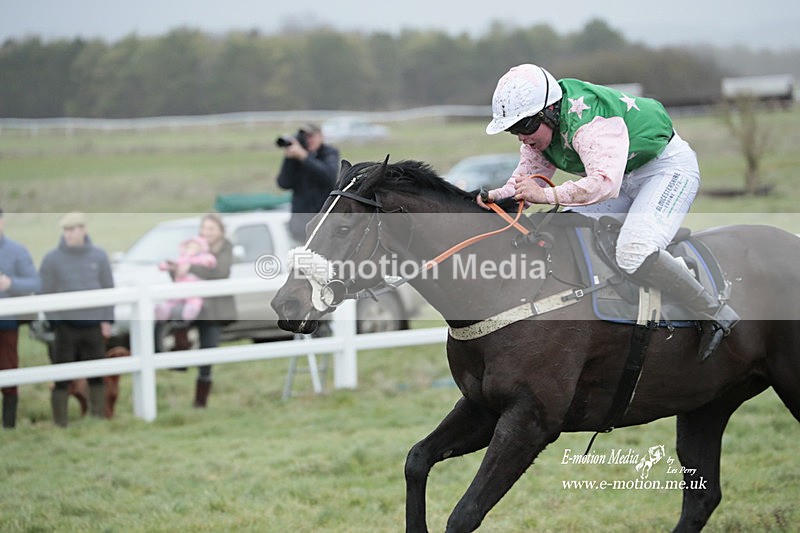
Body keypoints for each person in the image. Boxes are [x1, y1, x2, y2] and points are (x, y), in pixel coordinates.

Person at [480, 63, 738, 360]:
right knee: (563, 225)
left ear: (549, 110)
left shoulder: (589, 121)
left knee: (634, 251)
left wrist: (547, 194)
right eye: (513, 129)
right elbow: (523, 179)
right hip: (622, 177)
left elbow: (603, 184)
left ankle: (713, 311)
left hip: (664, 170)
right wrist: (490, 197)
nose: (521, 137)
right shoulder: (539, 132)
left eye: (524, 126)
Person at [39, 212, 114, 426]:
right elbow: (45, 292)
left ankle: (98, 417)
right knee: (62, 376)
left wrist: (107, 320)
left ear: (83, 230)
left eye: (72, 230)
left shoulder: (98, 256)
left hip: (93, 325)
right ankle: (60, 422)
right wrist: (56, 322)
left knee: (97, 374)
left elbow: (108, 288)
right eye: (65, 230)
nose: (68, 234)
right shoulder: (52, 259)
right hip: (66, 327)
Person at [161, 213, 234, 408]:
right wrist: (175, 268)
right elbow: (179, 276)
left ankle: (200, 401)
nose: (206, 232)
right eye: (204, 228)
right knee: (177, 319)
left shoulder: (225, 248)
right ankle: (180, 359)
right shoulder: (192, 246)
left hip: (214, 309)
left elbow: (221, 273)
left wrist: (190, 268)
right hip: (192, 304)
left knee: (208, 351)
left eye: (211, 228)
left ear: (220, 231)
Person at [0, 208, 42, 429]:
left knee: (8, 369)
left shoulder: (16, 251)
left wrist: (10, 284)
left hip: (6, 324)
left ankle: (9, 424)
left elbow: (35, 283)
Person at [276, 123, 340, 243]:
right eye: (305, 137)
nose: (308, 140)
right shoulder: (296, 157)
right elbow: (284, 183)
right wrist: (289, 159)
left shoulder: (329, 153)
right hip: (300, 225)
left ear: (320, 136)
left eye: (311, 136)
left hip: (323, 223)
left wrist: (304, 157)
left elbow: (329, 177)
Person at [155, 236, 217, 323]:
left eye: (195, 247)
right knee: (172, 300)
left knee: (194, 300)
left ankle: (190, 312)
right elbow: (169, 264)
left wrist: (207, 262)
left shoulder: (199, 259)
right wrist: (165, 265)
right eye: (189, 247)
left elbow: (210, 261)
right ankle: (163, 311)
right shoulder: (181, 259)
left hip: (193, 288)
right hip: (179, 286)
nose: (191, 249)